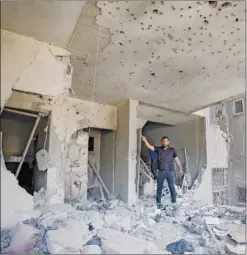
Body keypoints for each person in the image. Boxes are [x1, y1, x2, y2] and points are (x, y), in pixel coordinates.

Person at [141, 135, 183, 208]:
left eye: (166, 141)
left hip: (170, 171)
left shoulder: (172, 150)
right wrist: (145, 141)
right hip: (161, 171)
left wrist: (180, 169)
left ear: (168, 142)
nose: (164, 142)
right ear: (161, 142)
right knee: (159, 187)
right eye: (163, 141)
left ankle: (174, 202)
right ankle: (158, 202)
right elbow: (150, 147)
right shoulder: (158, 149)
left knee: (171, 187)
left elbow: (177, 159)